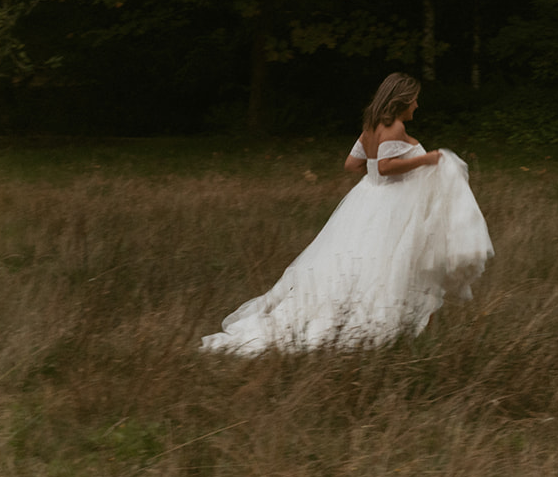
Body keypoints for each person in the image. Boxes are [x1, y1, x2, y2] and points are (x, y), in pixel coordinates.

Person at [201, 73, 494, 353]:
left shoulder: (370, 127)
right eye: (414, 99)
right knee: (385, 263)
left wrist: (380, 173)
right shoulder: (394, 128)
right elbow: (384, 166)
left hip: (367, 200)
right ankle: (377, 321)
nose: (417, 105)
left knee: (357, 262)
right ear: (402, 100)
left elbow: (353, 164)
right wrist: (427, 160)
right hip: (389, 205)